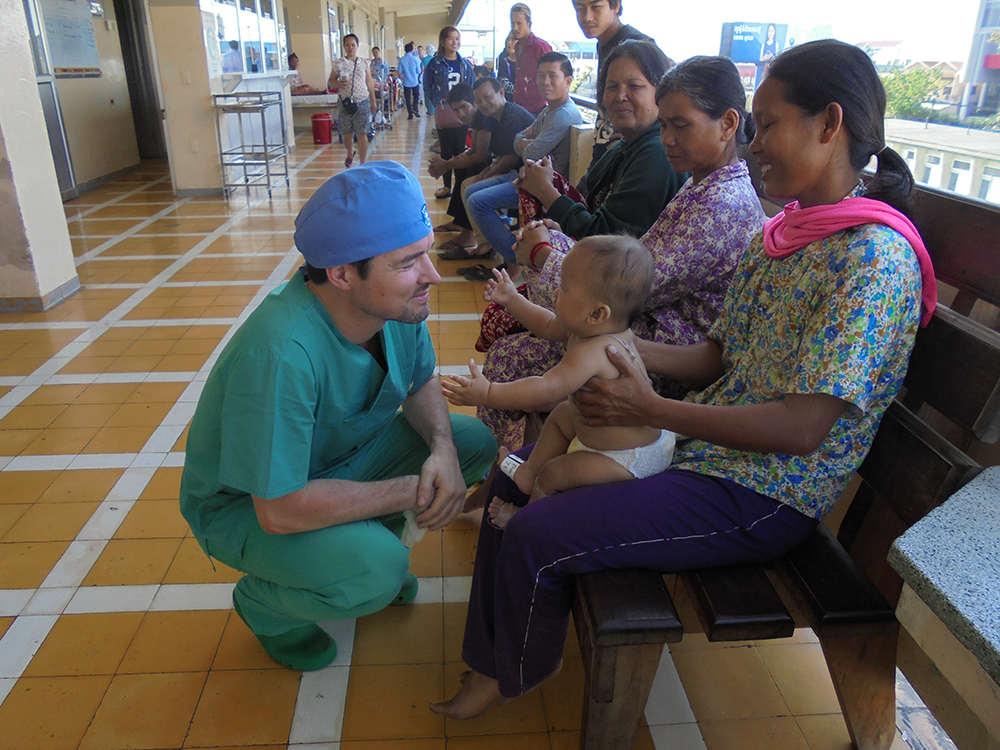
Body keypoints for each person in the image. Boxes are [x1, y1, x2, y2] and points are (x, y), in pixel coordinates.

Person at [430, 38, 937, 720]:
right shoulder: (784, 234)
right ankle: (496, 649)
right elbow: (715, 358)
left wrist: (649, 407)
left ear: (830, 123)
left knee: (536, 530)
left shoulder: (872, 260)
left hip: (762, 493)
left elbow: (800, 428)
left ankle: (506, 667)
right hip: (706, 456)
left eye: (768, 123)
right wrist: (614, 347)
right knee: (516, 466)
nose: (753, 143)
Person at [178, 162, 497, 674]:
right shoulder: (281, 354)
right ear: (343, 274)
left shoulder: (393, 305)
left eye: (426, 252)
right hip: (253, 504)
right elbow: (277, 509)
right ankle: (266, 607)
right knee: (376, 575)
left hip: (340, 461)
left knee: (470, 441)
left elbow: (417, 381)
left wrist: (441, 451)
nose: (433, 276)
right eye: (408, 262)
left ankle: (360, 541)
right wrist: (411, 489)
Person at [476, 54, 766, 453]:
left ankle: (505, 471)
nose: (667, 138)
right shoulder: (703, 182)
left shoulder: (721, 204)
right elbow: (633, 252)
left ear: (729, 124)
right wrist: (555, 243)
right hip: (636, 320)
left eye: (680, 125)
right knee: (551, 256)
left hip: (654, 348)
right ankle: (518, 465)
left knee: (509, 358)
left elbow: (630, 290)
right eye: (664, 125)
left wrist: (543, 254)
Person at [442, 236, 673, 529]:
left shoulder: (596, 350)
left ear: (597, 313)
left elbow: (545, 387)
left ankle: (527, 519)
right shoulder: (588, 328)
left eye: (563, 287)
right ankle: (528, 472)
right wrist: (512, 299)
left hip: (626, 458)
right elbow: (547, 324)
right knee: (563, 415)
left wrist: (488, 392)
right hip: (613, 439)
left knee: (555, 473)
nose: (554, 290)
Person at [516, 41, 684, 244]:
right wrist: (545, 181)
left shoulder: (658, 154)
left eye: (634, 86)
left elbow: (606, 239)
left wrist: (544, 190)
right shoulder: (623, 146)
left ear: (661, 91)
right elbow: (586, 204)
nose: (620, 96)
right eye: (612, 86)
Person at [461, 52, 583, 274]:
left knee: (477, 203)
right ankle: (513, 251)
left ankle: (518, 255)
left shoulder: (564, 114)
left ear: (567, 81)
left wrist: (526, 142)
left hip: (543, 187)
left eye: (552, 76)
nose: (545, 82)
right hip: (526, 176)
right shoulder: (549, 109)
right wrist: (525, 142)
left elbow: (530, 151)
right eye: (541, 75)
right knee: (470, 191)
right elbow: (519, 139)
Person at [436, 77, 535, 261]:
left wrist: (487, 174)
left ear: (501, 93)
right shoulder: (495, 117)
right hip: (514, 173)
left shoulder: (511, 116)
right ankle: (487, 241)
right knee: (470, 185)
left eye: (487, 97)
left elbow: (509, 157)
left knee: (473, 193)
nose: (483, 103)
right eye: (479, 100)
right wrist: (486, 173)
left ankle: (511, 254)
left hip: (527, 178)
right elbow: (497, 156)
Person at [572, 0, 654, 165]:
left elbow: (664, 96)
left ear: (616, 6)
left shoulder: (637, 45)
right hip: (606, 145)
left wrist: (633, 141)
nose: (586, 17)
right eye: (580, 8)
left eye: (595, 7)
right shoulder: (602, 44)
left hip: (630, 153)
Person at [428, 83, 493, 252]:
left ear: (474, 103)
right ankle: (460, 223)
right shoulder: (477, 119)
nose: (460, 114)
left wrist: (446, 164)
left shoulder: (484, 118)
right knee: (463, 168)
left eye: (464, 107)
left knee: (471, 171)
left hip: (507, 167)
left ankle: (468, 234)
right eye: (455, 110)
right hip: (494, 162)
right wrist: (447, 163)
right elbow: (473, 150)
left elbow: (480, 156)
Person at [423, 27, 476, 199]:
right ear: (443, 42)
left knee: (460, 149)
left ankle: (459, 185)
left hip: (462, 113)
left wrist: (469, 107)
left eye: (457, 39)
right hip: (444, 112)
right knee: (445, 149)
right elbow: (427, 85)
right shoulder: (435, 64)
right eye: (451, 39)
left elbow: (471, 87)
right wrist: (437, 104)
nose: (455, 42)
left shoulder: (465, 65)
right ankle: (446, 187)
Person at [328, 33, 377, 168]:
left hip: (362, 100)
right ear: (344, 46)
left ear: (357, 46)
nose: (350, 47)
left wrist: (373, 102)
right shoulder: (338, 63)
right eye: (348, 45)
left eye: (353, 45)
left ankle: (363, 162)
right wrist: (337, 84)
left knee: (362, 132)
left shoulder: (364, 63)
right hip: (345, 102)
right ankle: (350, 151)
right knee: (347, 134)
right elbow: (331, 81)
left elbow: (369, 82)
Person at [509, 3, 552, 115]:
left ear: (529, 24)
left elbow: (553, 77)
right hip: (519, 108)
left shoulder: (540, 47)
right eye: (512, 23)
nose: (515, 28)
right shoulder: (517, 46)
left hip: (537, 110)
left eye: (519, 24)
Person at [399, 42, 422, 119]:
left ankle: (410, 115)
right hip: (415, 81)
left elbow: (400, 71)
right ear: (412, 50)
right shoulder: (415, 59)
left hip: (406, 82)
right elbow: (418, 71)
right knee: (416, 96)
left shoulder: (402, 59)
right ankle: (415, 108)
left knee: (407, 98)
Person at [496, 33, 518, 102]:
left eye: (513, 40)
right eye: (508, 39)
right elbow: (505, 85)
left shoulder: (527, 61)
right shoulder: (502, 60)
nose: (509, 42)